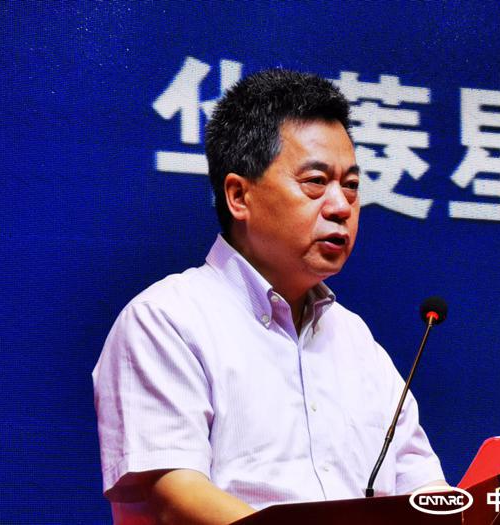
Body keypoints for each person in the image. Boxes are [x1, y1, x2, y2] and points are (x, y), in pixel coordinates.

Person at [93, 69, 445, 525]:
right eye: (316, 181)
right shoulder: (166, 320)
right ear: (239, 196)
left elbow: (423, 491)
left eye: (351, 185)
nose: (342, 206)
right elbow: (177, 499)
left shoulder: (357, 341)